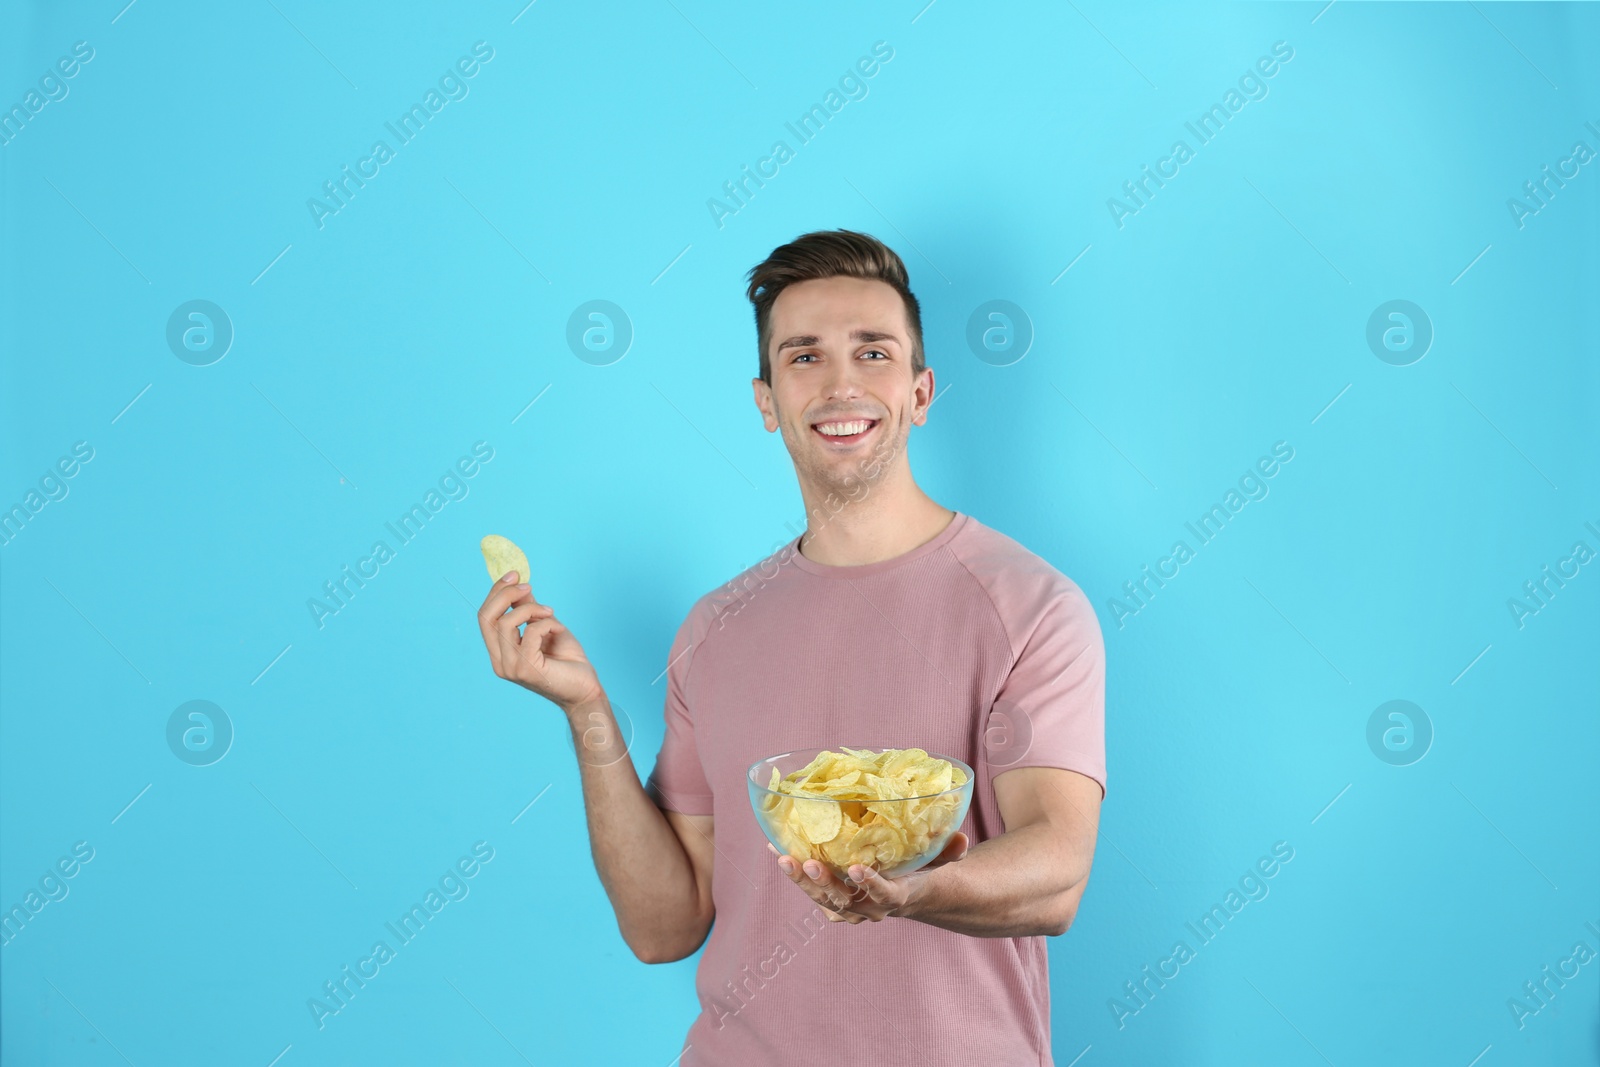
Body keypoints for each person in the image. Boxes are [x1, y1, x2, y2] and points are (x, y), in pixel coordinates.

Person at [476, 229, 1106, 1065]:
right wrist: (587, 710)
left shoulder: (1031, 605)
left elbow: (1058, 871)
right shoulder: (715, 627)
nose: (841, 382)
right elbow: (665, 926)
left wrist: (906, 892)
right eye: (803, 356)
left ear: (921, 391)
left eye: (872, 352)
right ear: (767, 400)